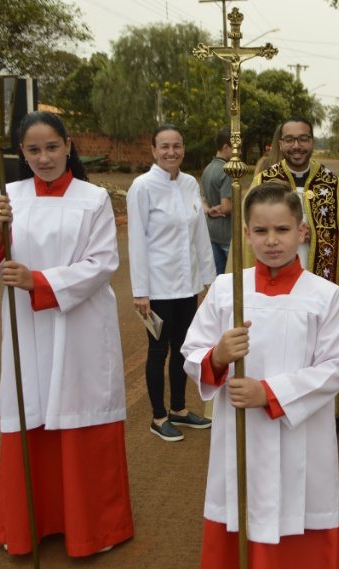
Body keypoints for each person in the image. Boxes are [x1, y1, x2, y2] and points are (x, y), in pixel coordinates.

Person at [182, 181, 339, 569]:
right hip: (240, 438)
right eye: (261, 230)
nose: (271, 240)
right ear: (246, 233)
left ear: (301, 232)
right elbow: (192, 352)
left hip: (300, 438)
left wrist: (269, 394)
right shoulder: (225, 290)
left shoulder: (323, 295)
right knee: (242, 508)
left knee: (298, 517)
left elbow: (334, 369)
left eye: (282, 229)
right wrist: (216, 356)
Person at [0, 111, 133, 556]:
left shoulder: (93, 198)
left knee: (80, 409)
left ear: (68, 147)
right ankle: (30, 526)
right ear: (21, 153)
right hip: (28, 326)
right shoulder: (6, 199)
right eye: (34, 150)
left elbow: (101, 265)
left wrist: (38, 282)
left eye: (52, 148)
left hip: (79, 325)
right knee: (31, 408)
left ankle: (93, 529)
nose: (44, 158)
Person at [249, 116, 339, 434]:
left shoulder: (331, 183)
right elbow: (247, 232)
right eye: (289, 139)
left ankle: (327, 406)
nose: (296, 146)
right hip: (278, 276)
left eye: (303, 139)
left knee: (321, 336)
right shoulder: (265, 180)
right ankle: (276, 396)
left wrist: (316, 236)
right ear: (281, 144)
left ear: (312, 143)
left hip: (321, 278)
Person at [128, 124, 215, 442]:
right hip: (157, 289)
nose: (171, 152)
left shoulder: (191, 184)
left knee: (182, 349)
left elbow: (200, 237)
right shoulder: (143, 187)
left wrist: (210, 282)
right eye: (164, 146)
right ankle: (158, 416)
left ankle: (179, 409)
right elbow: (136, 240)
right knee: (157, 350)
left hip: (187, 285)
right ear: (153, 151)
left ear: (184, 149)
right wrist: (141, 292)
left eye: (177, 146)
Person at [201, 127, 234, 275]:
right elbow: (227, 208)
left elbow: (203, 200)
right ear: (226, 147)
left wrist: (209, 210)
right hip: (227, 235)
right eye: (237, 148)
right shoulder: (227, 170)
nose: (238, 153)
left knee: (218, 280)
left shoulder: (208, 168)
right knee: (233, 280)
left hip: (211, 232)